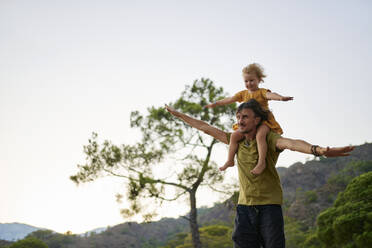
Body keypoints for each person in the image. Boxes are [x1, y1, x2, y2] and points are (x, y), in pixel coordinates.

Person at [165, 100, 353, 248]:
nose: (240, 121)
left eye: (245, 117)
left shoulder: (269, 138)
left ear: (257, 120)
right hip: (244, 209)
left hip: (269, 208)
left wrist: (318, 150)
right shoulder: (234, 141)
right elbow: (205, 127)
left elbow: (292, 143)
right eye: (238, 117)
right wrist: (178, 114)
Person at [205, 63, 293, 175]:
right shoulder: (243, 94)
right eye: (246, 81)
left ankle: (261, 162)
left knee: (260, 136)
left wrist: (280, 98)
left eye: (252, 80)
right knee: (234, 136)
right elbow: (230, 99)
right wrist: (216, 103)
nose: (249, 83)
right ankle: (230, 160)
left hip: (263, 121)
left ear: (259, 80)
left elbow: (271, 95)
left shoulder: (261, 92)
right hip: (249, 123)